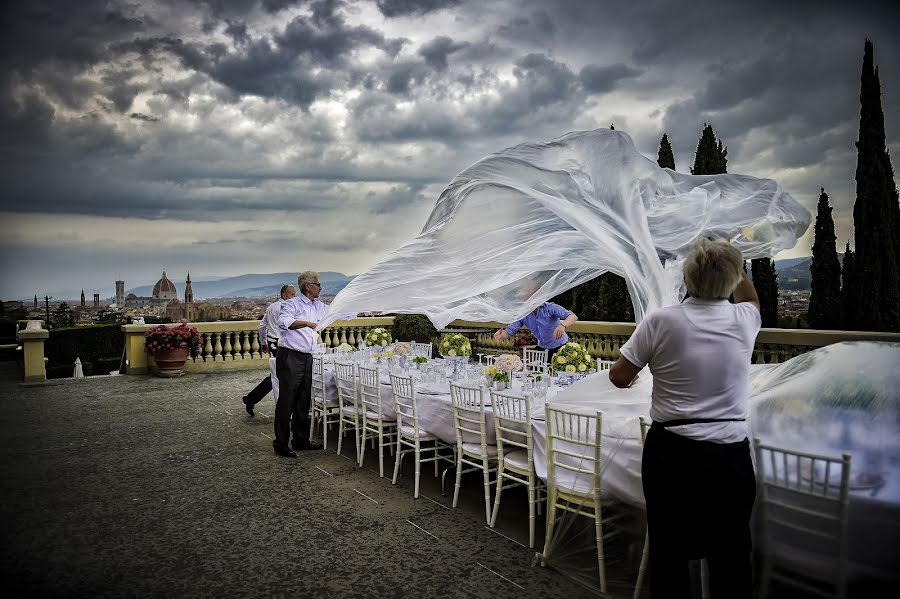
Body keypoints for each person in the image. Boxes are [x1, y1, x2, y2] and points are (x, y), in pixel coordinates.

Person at [609, 239, 761, 599]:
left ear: (687, 275)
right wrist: (734, 260)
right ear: (734, 277)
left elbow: (618, 376)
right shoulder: (745, 319)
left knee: (669, 555)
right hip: (730, 458)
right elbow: (751, 298)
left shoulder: (662, 321)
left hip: (673, 455)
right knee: (733, 557)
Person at [272, 271, 326, 457]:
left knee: (303, 399)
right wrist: (309, 324)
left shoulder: (319, 306)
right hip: (290, 356)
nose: (320, 287)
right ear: (308, 286)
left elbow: (337, 313)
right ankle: (280, 443)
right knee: (287, 400)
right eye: (318, 284)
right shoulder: (291, 303)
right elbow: (284, 322)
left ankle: (301, 439)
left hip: (307, 356)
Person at [242, 284, 295, 416]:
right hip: (283, 344)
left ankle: (251, 398)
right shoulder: (288, 308)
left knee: (277, 375)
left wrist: (263, 342)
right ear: (284, 294)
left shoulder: (271, 307)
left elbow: (262, 326)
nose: (294, 297)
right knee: (280, 376)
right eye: (292, 294)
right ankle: (284, 408)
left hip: (272, 342)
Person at [493, 301, 578, 361]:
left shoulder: (550, 307)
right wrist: (502, 334)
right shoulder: (524, 314)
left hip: (561, 348)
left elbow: (573, 316)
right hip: (542, 350)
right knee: (540, 377)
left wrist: (562, 325)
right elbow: (510, 330)